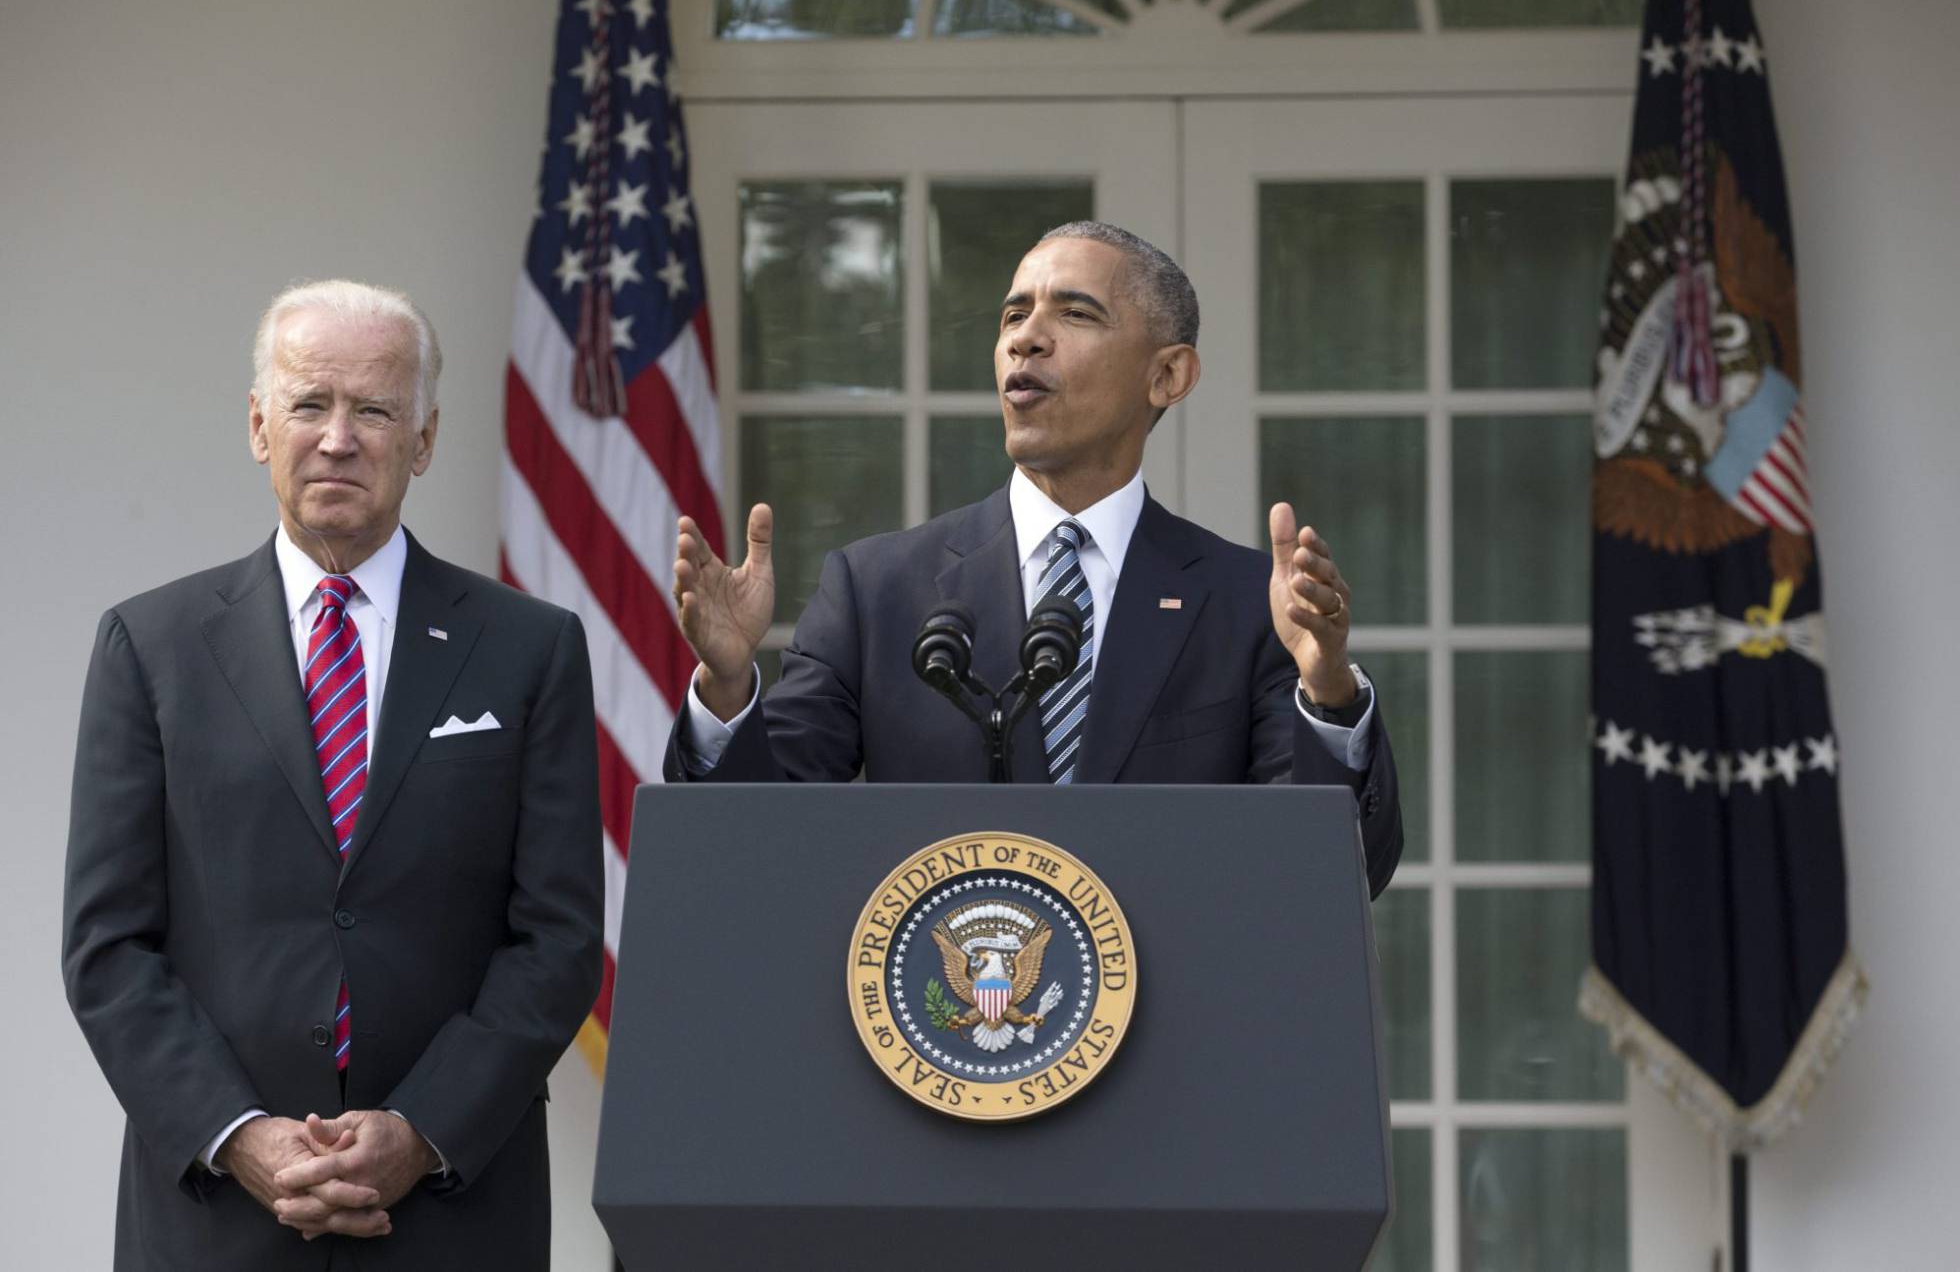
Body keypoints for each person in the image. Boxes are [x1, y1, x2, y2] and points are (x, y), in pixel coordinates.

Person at [62, 280, 603, 1270]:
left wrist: (420, 1129)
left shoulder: (531, 649)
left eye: (375, 409)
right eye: (311, 404)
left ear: (425, 440)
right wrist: (242, 1136)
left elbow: (559, 938)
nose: (339, 438)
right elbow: (109, 948)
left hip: (452, 1211)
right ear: (260, 427)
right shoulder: (151, 646)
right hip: (217, 1218)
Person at [668, 222, 1401, 895]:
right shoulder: (876, 590)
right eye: (1014, 315)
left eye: (1075, 314)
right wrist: (729, 688)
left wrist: (1330, 694)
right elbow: (759, 852)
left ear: (1168, 376)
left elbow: (1331, 876)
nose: (1027, 339)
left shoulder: (1245, 603)